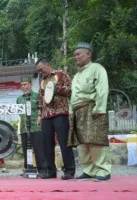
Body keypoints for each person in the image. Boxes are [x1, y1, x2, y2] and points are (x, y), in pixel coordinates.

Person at [69, 42, 111, 181]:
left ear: (88, 54)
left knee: (95, 140)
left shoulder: (97, 68)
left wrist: (99, 108)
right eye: (74, 55)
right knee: (82, 143)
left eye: (78, 54)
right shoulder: (76, 76)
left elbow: (102, 89)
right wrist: (70, 111)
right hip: (78, 111)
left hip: (92, 108)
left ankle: (103, 170)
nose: (75, 57)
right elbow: (73, 95)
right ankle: (88, 170)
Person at [36, 58, 75, 180]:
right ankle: (50, 171)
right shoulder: (42, 81)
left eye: (41, 69)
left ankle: (69, 170)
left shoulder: (60, 74)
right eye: (38, 70)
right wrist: (39, 115)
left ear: (48, 65)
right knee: (47, 144)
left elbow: (70, 89)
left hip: (60, 113)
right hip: (46, 115)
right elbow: (40, 99)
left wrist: (56, 88)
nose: (40, 72)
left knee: (64, 142)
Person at [17, 76, 47, 177]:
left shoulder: (37, 96)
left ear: (30, 85)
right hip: (24, 128)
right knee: (26, 149)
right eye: (21, 85)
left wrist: (39, 117)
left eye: (25, 84)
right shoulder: (19, 99)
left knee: (38, 149)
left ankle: (42, 170)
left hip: (36, 127)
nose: (23, 87)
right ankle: (28, 168)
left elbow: (41, 109)